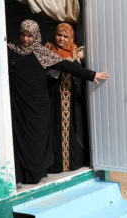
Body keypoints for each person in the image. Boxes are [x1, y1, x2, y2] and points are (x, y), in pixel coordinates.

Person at [8, 19, 109, 186]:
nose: (26, 39)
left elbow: (66, 66)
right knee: (19, 138)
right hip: (18, 104)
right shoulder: (10, 50)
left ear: (36, 36)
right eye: (23, 35)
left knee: (38, 139)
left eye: (30, 36)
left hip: (38, 106)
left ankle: (38, 174)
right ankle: (19, 176)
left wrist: (92, 75)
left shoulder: (42, 52)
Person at [45, 23, 91, 173]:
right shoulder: (47, 50)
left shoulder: (76, 52)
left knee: (74, 128)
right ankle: (56, 165)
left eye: (66, 36)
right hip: (53, 101)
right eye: (59, 35)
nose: (62, 39)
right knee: (54, 129)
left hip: (72, 100)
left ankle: (73, 163)